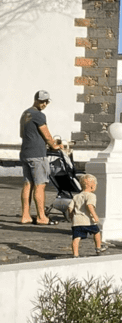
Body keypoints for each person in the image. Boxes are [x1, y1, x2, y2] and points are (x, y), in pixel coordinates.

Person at [20, 90, 57, 225]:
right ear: (36, 100)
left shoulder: (26, 114)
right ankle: (42, 217)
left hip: (26, 152)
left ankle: (25, 216)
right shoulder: (39, 115)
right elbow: (47, 135)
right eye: (42, 101)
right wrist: (54, 145)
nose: (44, 104)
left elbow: (21, 134)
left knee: (27, 184)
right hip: (37, 155)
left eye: (45, 101)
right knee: (40, 185)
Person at [70, 174, 108, 257]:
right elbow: (89, 206)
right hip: (88, 221)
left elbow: (70, 208)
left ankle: (75, 254)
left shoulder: (76, 196)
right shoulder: (91, 195)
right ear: (91, 186)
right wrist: (95, 216)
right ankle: (98, 247)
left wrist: (71, 217)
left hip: (77, 221)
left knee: (76, 238)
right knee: (97, 232)